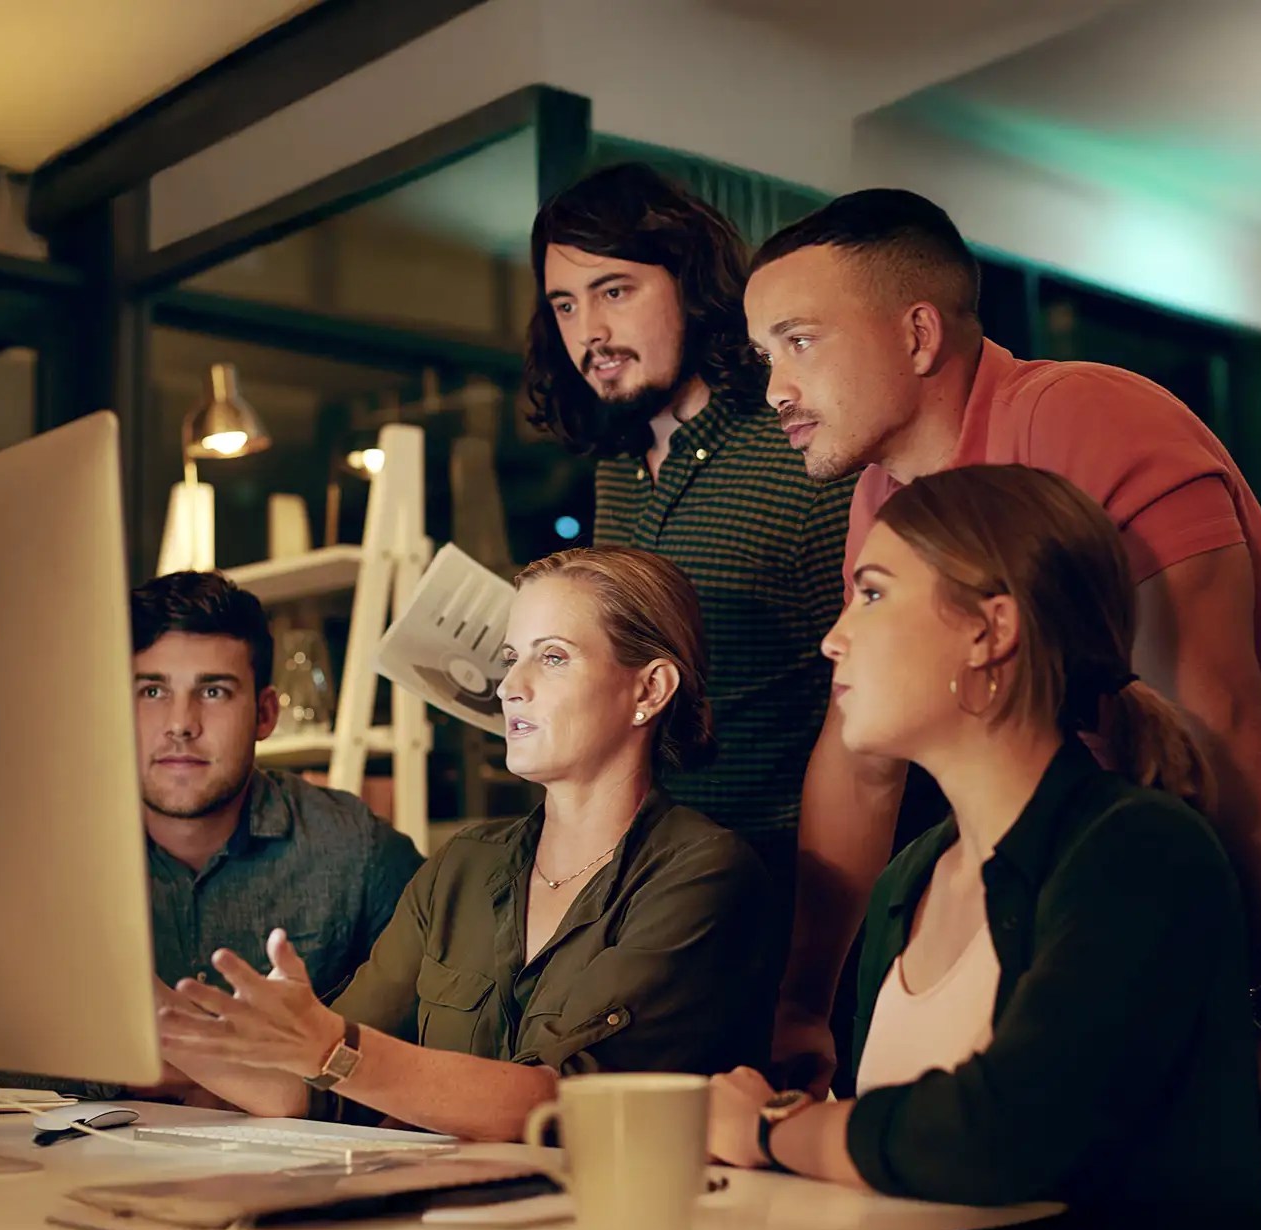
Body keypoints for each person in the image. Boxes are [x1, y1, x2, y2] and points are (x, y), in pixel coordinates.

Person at [746, 188, 1261, 1228]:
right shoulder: (888, 498)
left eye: (796, 343)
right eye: (764, 356)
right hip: (1115, 903)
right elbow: (858, 760)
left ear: (917, 331)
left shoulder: (1088, 415)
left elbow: (1220, 724)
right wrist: (800, 1002)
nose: (776, 390)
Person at [703, 465, 1261, 1230]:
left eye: (870, 594)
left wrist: (771, 1129)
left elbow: (1005, 1133)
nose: (834, 638)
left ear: (989, 629)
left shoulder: (1139, 852)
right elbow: (891, 1154)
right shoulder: (906, 881)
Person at [155, 548, 775, 1141]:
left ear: (649, 689)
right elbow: (318, 1090)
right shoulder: (463, 867)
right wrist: (151, 1014)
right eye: (512, 657)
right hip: (445, 1229)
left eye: (552, 657)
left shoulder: (701, 874)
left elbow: (561, 1106)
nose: (510, 687)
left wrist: (329, 1049)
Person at [524, 163, 853, 890]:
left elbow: (870, 714)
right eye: (566, 306)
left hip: (789, 885)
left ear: (689, 284)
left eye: (614, 291)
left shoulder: (796, 448)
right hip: (645, 881)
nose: (592, 333)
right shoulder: (616, 463)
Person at [130, 571, 420, 1001]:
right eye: (153, 692)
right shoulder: (52, 858)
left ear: (265, 714)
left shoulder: (356, 852)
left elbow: (446, 1034)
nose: (180, 725)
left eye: (213, 691)